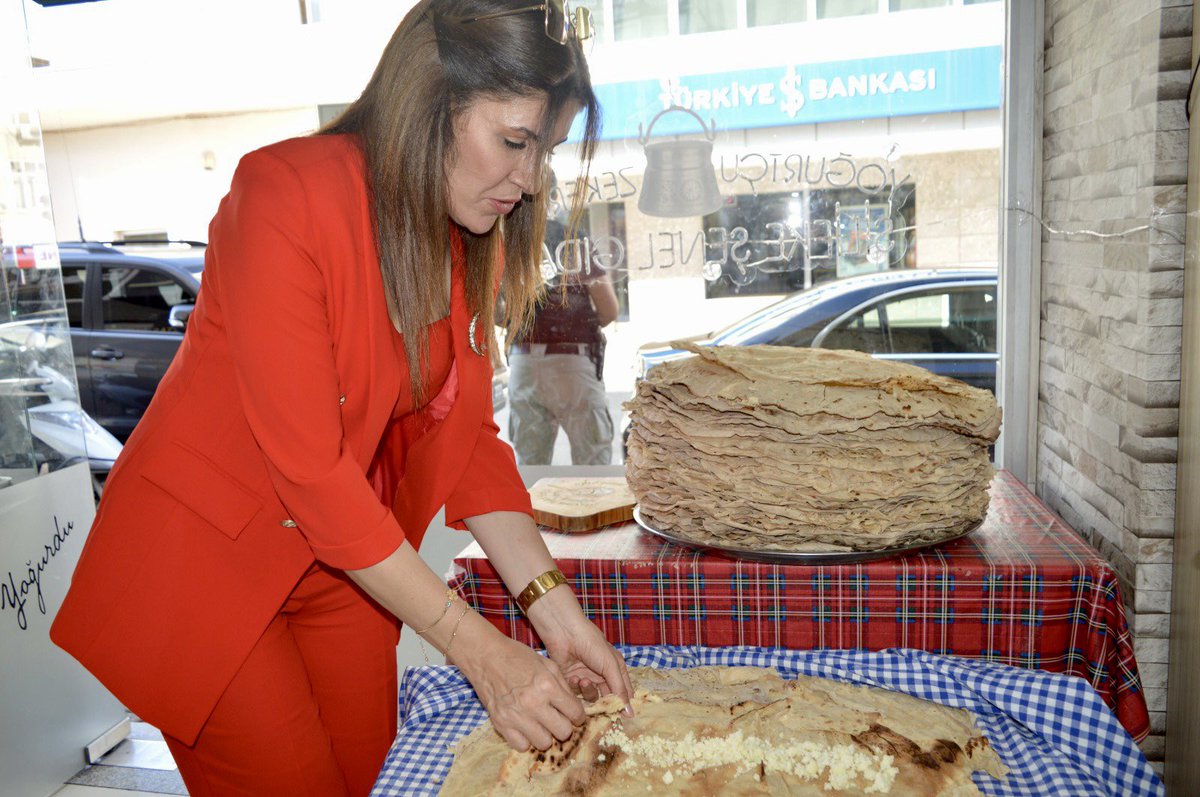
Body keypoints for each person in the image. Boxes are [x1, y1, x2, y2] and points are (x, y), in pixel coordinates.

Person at [49, 1, 632, 795]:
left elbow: (470, 442)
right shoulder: (283, 191)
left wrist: (558, 617)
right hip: (210, 565)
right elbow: (313, 470)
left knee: (374, 777)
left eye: (546, 152)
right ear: (433, 99)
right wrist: (482, 653)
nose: (529, 183)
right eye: (515, 141)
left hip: (344, 563)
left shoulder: (461, 234)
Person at [507, 207, 619, 465]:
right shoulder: (574, 241)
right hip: (573, 363)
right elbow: (609, 309)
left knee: (531, 468)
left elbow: (500, 313)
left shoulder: (511, 242)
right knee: (592, 468)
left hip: (524, 362)